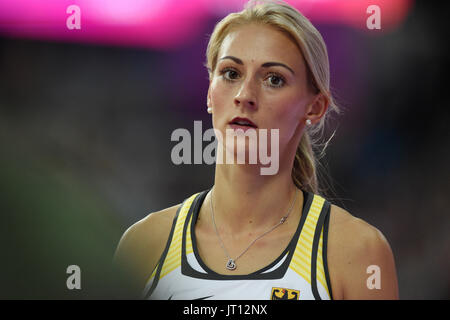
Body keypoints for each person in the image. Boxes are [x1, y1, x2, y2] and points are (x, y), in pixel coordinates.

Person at [114, 0, 398, 300]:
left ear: (315, 108)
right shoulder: (143, 246)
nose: (245, 95)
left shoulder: (356, 253)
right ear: (210, 93)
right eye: (231, 73)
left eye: (274, 79)